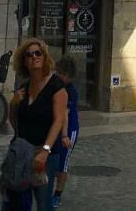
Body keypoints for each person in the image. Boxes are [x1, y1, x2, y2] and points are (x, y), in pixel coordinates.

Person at [6, 38, 67, 211]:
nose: (34, 57)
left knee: (43, 202)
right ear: (24, 61)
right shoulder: (24, 87)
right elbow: (15, 122)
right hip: (23, 153)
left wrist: (46, 150)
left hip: (44, 154)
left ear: (44, 56)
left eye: (38, 53)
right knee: (19, 201)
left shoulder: (56, 85)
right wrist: (13, 104)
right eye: (29, 55)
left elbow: (59, 120)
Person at [47, 55, 81, 208]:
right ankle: (45, 190)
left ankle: (57, 195)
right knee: (51, 161)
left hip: (69, 130)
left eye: (60, 73)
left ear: (67, 75)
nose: (57, 75)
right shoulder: (54, 83)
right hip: (54, 128)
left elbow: (64, 115)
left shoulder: (71, 91)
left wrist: (64, 135)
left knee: (63, 163)